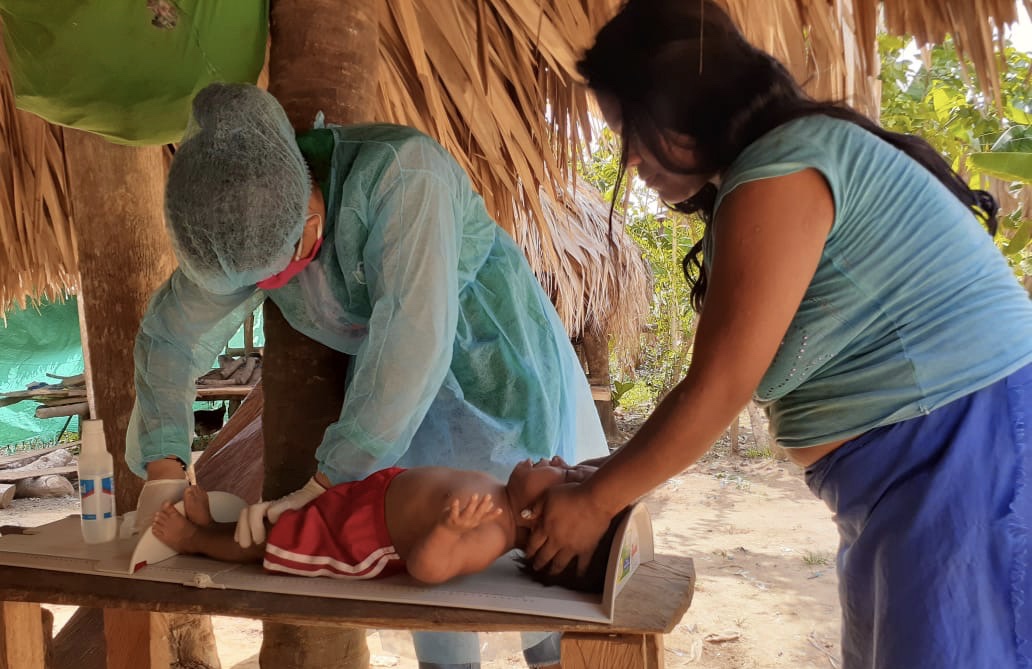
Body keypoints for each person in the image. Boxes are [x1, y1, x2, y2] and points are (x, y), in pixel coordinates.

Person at [523, 2, 1032, 668]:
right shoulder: (780, 164)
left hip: (961, 457)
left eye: (634, 130)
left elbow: (719, 386)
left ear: (688, 96)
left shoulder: (782, 168)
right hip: (921, 474)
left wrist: (598, 497)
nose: (632, 159)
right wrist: (608, 479)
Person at [126, 82, 609, 669]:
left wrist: (327, 486)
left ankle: (553, 660)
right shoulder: (233, 218)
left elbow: (414, 337)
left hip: (489, 361)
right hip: (388, 388)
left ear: (309, 212)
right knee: (424, 558)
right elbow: (171, 336)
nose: (275, 284)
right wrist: (164, 465)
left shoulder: (403, 178)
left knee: (530, 565)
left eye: (282, 267)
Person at [151, 458, 619, 591]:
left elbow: (427, 569)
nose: (558, 459)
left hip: (362, 540)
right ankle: (213, 529)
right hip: (372, 498)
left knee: (273, 545)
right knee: (292, 517)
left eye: (564, 475)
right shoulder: (501, 501)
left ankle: (196, 538)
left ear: (535, 518)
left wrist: (447, 534)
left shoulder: (489, 534)